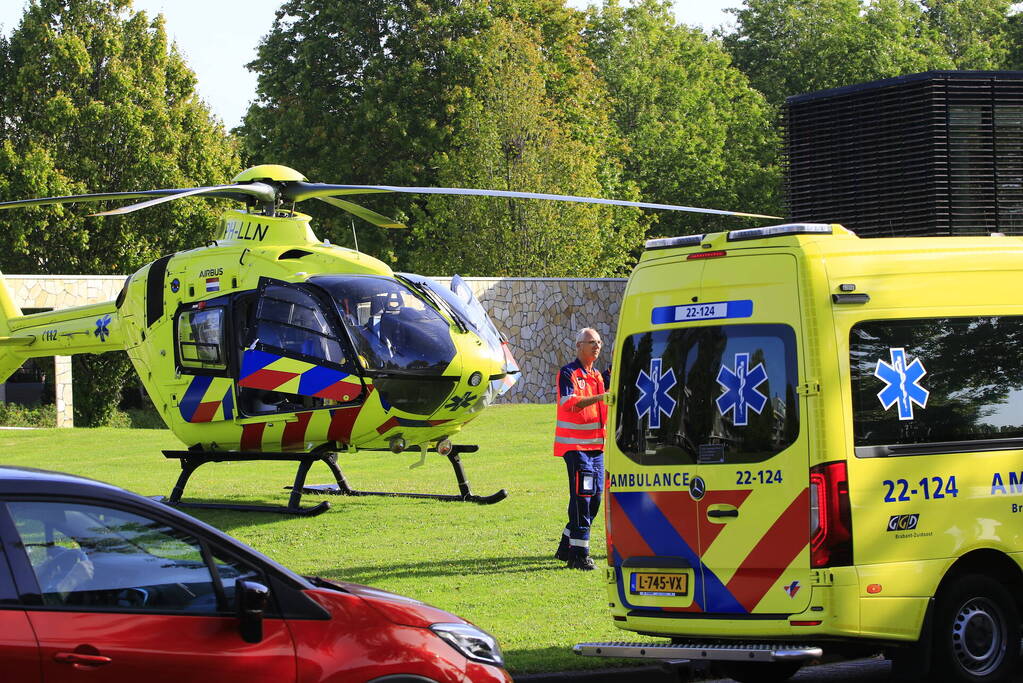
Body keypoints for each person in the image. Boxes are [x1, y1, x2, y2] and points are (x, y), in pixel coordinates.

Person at [553, 327, 609, 570]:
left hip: (596, 448)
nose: (596, 346)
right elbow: (569, 403)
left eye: (598, 342)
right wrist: (600, 398)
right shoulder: (568, 373)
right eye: (590, 342)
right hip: (575, 448)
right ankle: (579, 556)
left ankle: (567, 546)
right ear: (578, 346)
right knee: (582, 499)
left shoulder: (597, 375)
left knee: (594, 499)